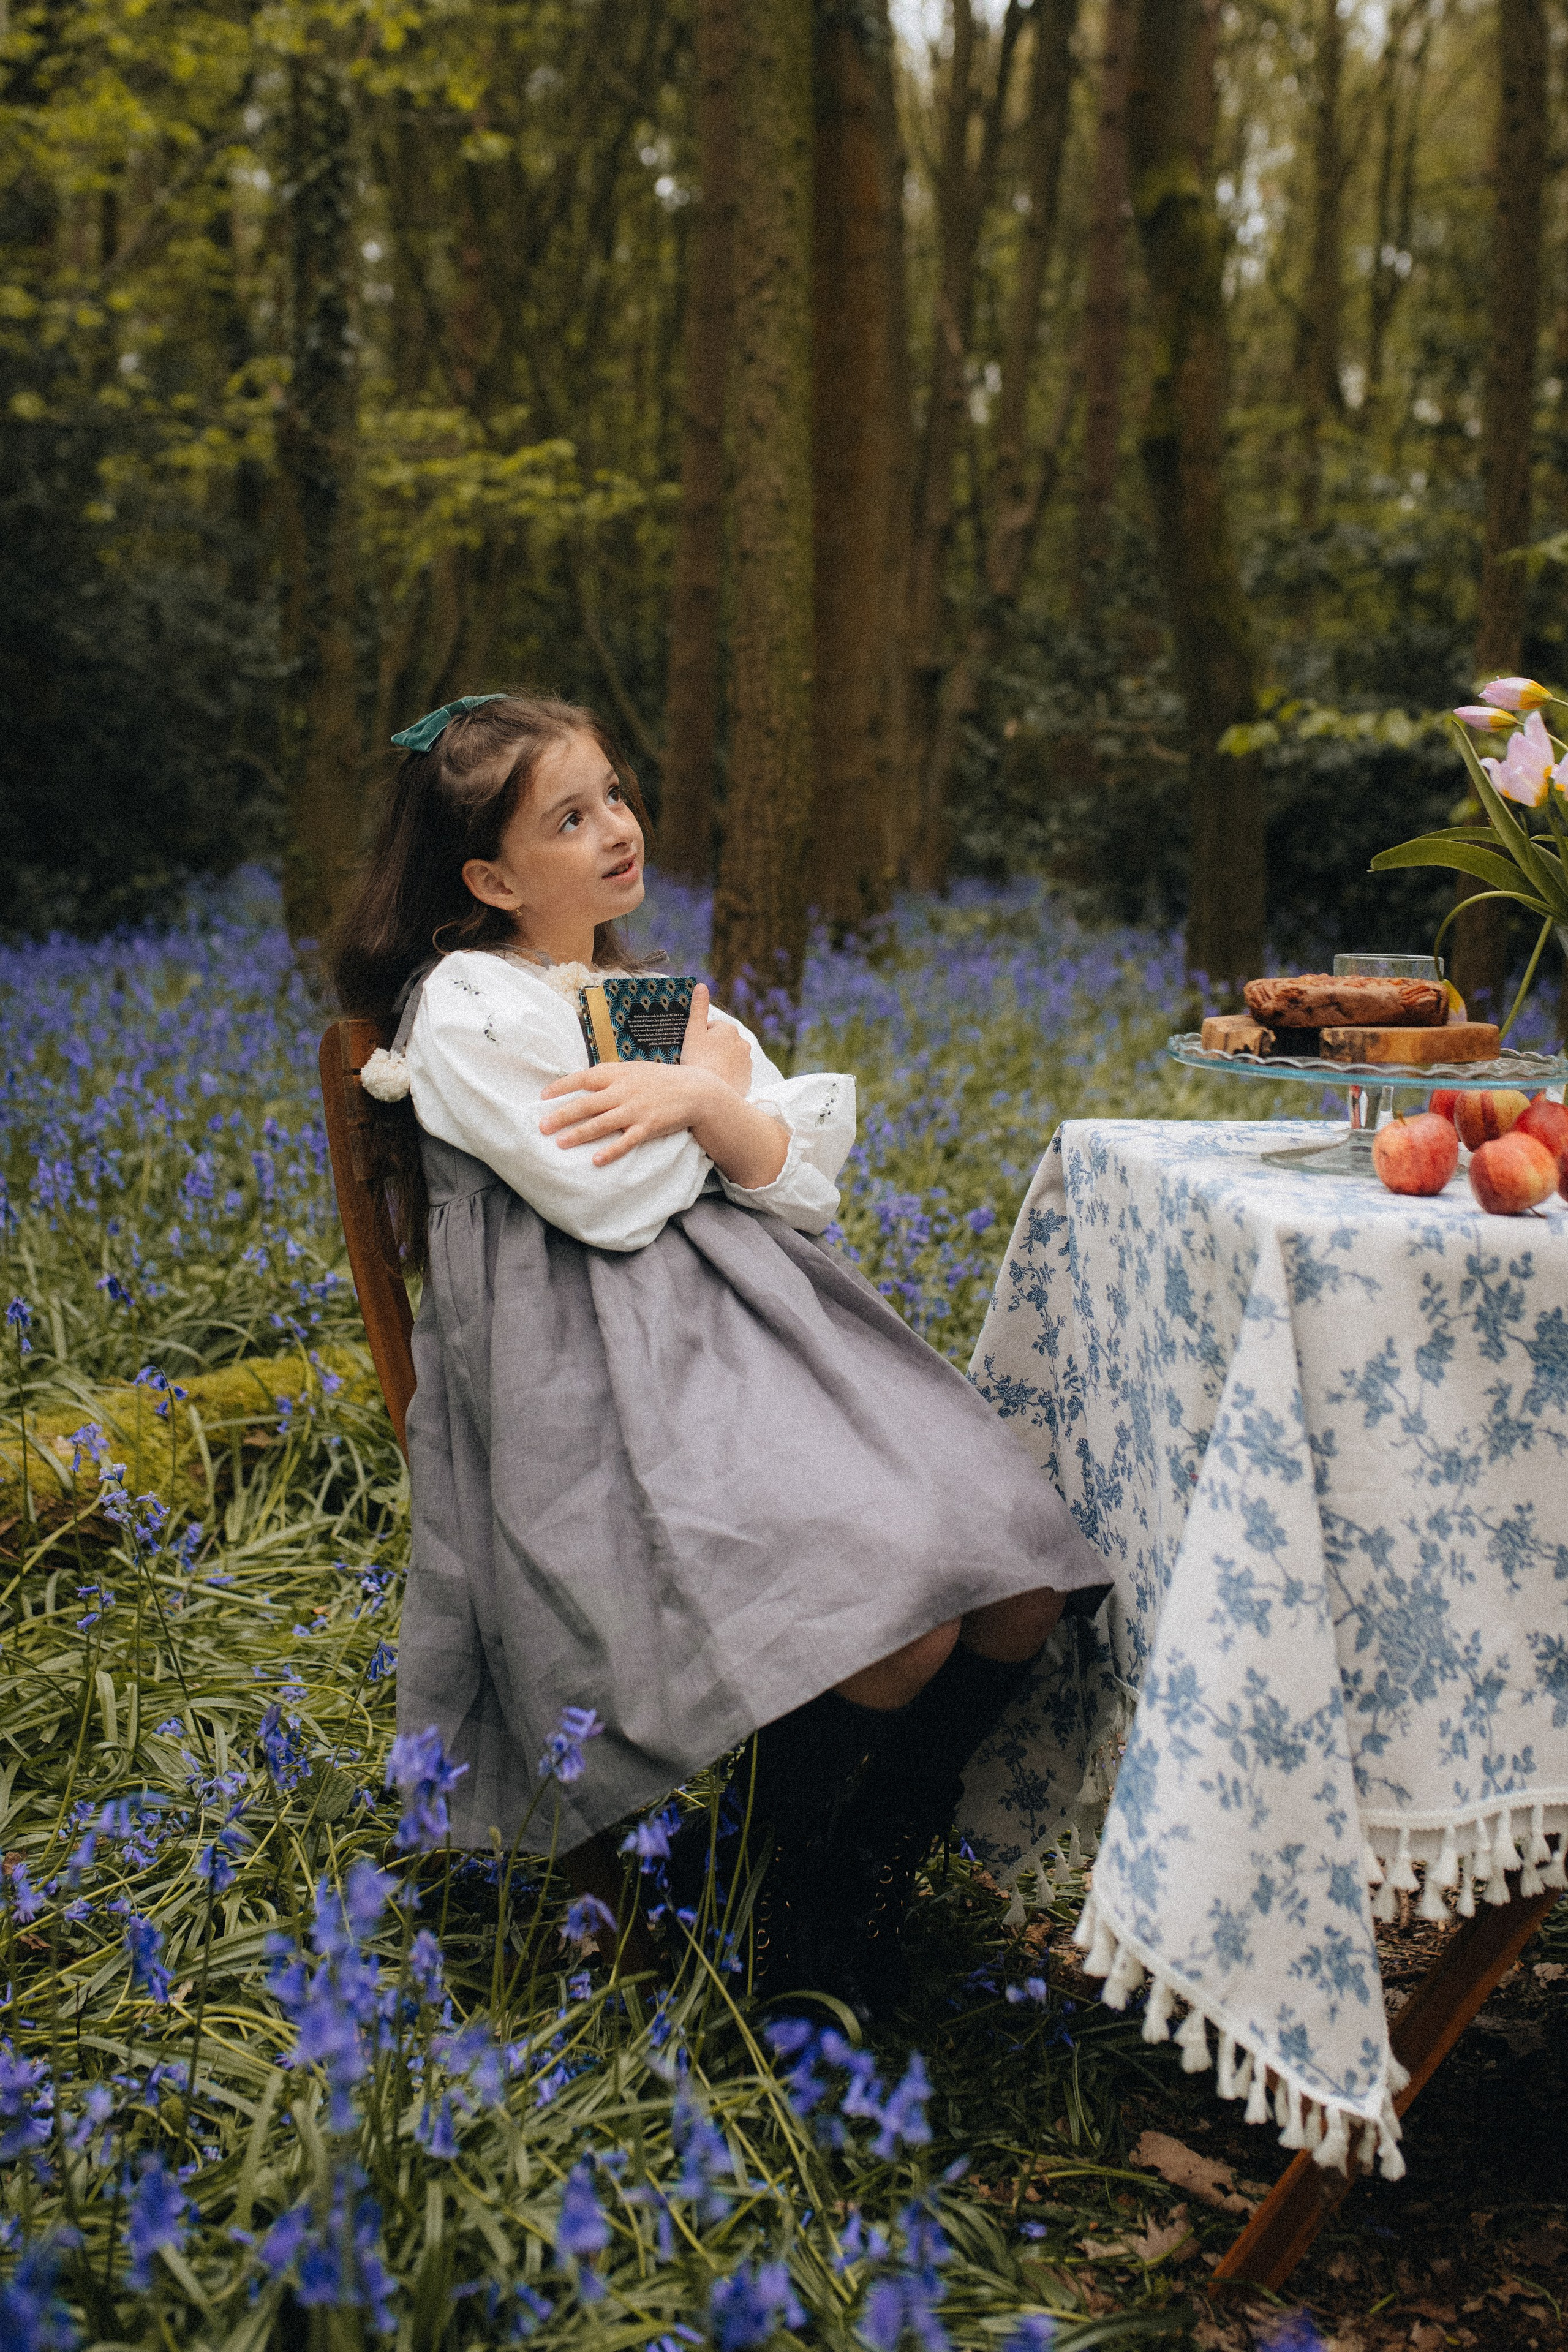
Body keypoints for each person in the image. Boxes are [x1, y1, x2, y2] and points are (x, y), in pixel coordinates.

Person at [333, 691, 1109, 2017]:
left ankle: (851, 1872)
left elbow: (796, 1177)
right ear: (488, 877)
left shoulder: (638, 1001)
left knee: (1020, 1584)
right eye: (569, 817)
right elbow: (609, 1198)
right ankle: (778, 1912)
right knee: (897, 1626)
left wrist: (701, 1105)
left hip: (759, 1339)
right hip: (592, 1386)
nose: (615, 829)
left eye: (616, 797)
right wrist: (712, 1114)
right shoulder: (466, 1008)